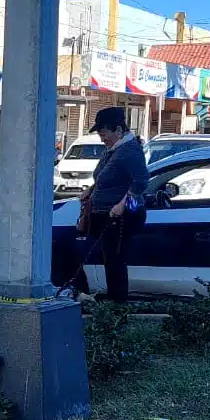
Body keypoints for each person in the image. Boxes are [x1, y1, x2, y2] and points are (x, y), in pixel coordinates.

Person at [78, 106, 147, 303]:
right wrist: (91, 190)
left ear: (118, 130)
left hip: (119, 218)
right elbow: (105, 177)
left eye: (104, 133)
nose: (102, 138)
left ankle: (118, 304)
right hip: (104, 214)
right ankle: (114, 300)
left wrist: (122, 205)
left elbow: (141, 183)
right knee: (109, 259)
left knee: (115, 260)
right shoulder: (114, 150)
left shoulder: (130, 150)